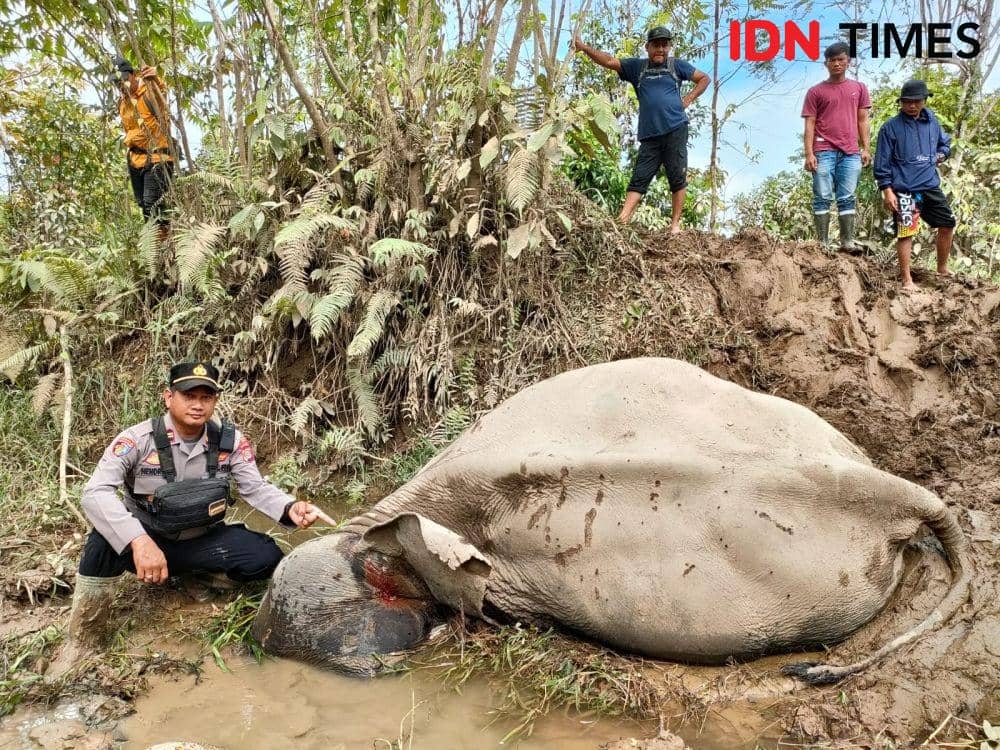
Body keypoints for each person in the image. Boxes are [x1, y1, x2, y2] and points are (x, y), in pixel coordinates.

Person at [60, 362, 323, 663]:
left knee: (265, 557)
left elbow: (255, 488)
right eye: (189, 396)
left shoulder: (230, 442)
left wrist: (290, 508)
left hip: (201, 539)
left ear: (215, 401)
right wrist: (139, 541)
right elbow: (95, 492)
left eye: (206, 398)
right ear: (169, 397)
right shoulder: (136, 440)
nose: (198, 405)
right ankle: (83, 637)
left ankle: (197, 577)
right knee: (100, 543)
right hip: (147, 543)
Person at [572, 27, 710, 231]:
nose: (661, 49)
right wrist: (583, 47)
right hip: (650, 135)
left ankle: (675, 226)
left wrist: (688, 98)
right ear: (647, 47)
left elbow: (704, 79)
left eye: (665, 45)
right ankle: (622, 220)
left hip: (676, 129)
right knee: (640, 178)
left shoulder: (676, 66)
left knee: (677, 176)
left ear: (669, 47)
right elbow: (610, 61)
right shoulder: (637, 67)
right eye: (656, 45)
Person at [873, 79, 955, 290]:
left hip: (930, 185)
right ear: (901, 102)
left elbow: (945, 144)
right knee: (906, 231)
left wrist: (940, 155)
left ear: (924, 100)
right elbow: (881, 163)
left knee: (948, 224)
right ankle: (907, 280)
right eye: (907, 102)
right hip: (904, 190)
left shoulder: (932, 122)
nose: (912, 105)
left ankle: (942, 268)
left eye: (917, 101)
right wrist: (887, 191)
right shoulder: (890, 128)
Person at [801, 41, 872, 251]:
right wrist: (809, 153)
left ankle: (847, 242)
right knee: (822, 196)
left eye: (841, 59)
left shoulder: (858, 89)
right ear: (826, 64)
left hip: (850, 151)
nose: (837, 64)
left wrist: (866, 148)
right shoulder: (816, 92)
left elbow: (863, 120)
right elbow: (809, 123)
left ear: (848, 62)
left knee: (847, 197)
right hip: (824, 151)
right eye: (832, 60)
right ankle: (822, 244)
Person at [113, 56, 175, 228]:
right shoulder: (123, 103)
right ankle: (154, 244)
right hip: (136, 160)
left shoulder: (148, 92)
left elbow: (161, 92)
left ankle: (162, 244)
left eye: (125, 80)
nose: (122, 86)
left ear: (133, 75)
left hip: (158, 159)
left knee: (152, 203)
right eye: (118, 83)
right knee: (143, 205)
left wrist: (155, 78)